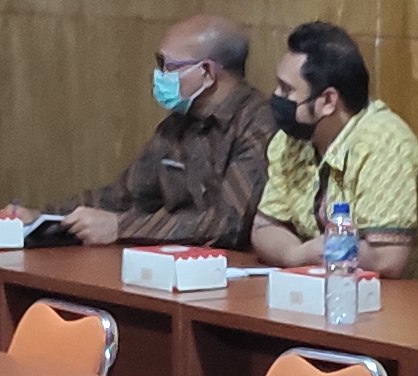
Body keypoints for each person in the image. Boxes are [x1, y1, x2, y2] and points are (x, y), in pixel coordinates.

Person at [247, 20, 418, 284]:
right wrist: (297, 254)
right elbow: (264, 229)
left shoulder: (383, 142)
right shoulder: (289, 141)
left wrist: (324, 251)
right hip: (331, 297)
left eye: (287, 90)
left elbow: (387, 259)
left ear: (328, 101)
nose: (276, 96)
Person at [53, 14, 266, 249]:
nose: (159, 75)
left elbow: (227, 224)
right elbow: (122, 195)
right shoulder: (178, 125)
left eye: (167, 65)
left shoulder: (257, 125)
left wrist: (120, 227)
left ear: (206, 72)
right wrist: (45, 218)